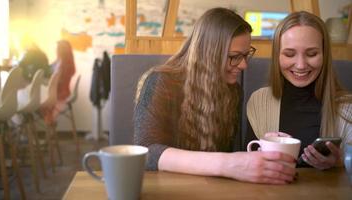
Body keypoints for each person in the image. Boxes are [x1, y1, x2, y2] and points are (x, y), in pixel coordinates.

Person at [134, 7, 296, 184]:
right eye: (234, 56)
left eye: (246, 55)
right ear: (208, 53)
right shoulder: (162, 81)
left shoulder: (233, 91)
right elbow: (146, 152)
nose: (243, 65)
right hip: (168, 188)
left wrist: (264, 151)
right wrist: (228, 163)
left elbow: (230, 154)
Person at [246, 11, 352, 170]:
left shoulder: (348, 108)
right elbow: (247, 164)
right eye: (289, 54)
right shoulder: (259, 102)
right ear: (277, 56)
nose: (301, 65)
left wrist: (339, 164)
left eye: (312, 54)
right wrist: (262, 150)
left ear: (324, 55)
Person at [42, 40, 76, 125]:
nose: (55, 50)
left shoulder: (64, 65)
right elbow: (48, 69)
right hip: (59, 91)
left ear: (61, 50)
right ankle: (50, 121)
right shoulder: (60, 61)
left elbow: (58, 81)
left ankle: (49, 120)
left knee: (35, 101)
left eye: (57, 48)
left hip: (60, 94)